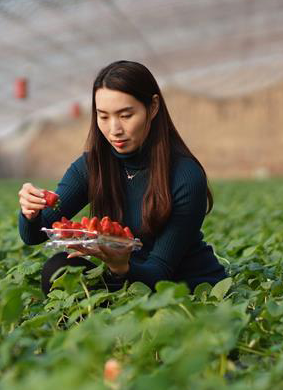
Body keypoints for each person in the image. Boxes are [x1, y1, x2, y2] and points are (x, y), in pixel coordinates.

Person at [17, 60, 227, 295]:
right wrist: (31, 212)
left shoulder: (185, 176)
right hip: (127, 282)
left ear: (153, 107)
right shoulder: (91, 166)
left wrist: (120, 267)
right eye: (103, 116)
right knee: (58, 268)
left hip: (186, 291)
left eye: (126, 115)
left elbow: (160, 271)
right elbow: (34, 234)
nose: (114, 129)